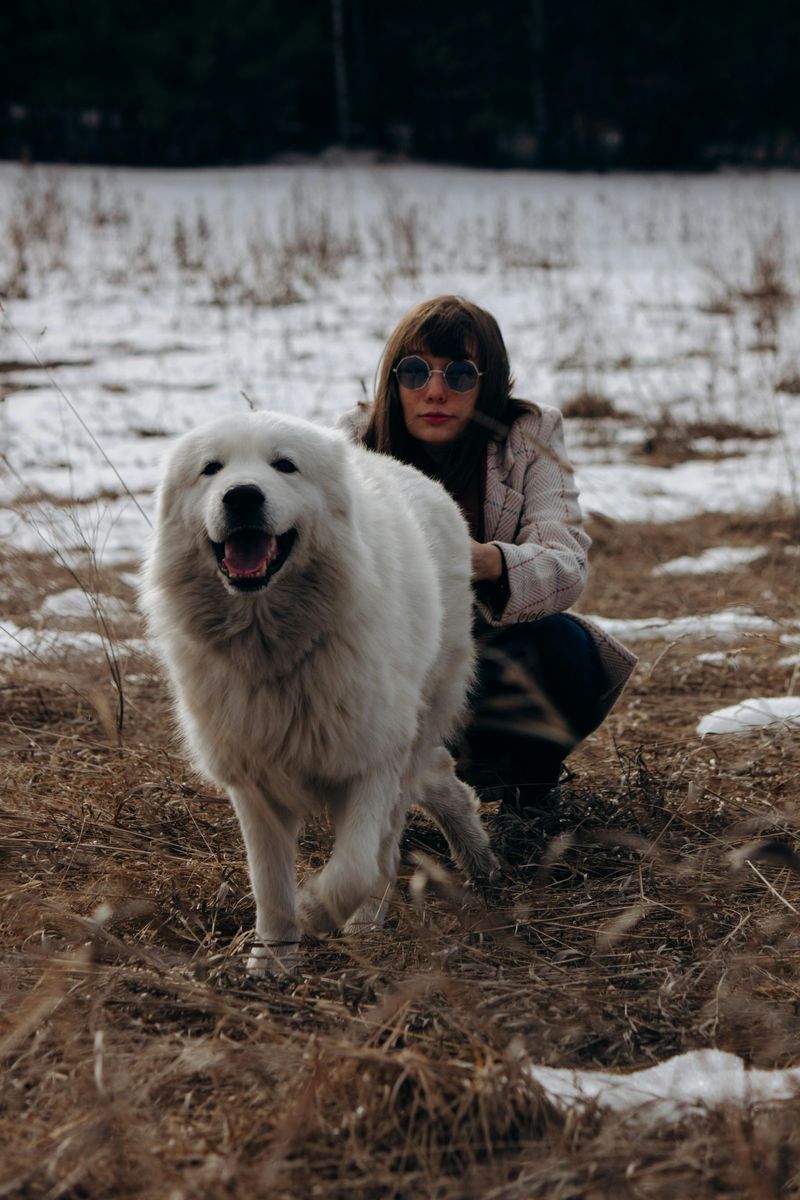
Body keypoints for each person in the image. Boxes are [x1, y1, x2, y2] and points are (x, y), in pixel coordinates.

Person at [339, 295, 637, 820]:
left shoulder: (529, 436)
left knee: (564, 646)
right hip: (380, 654)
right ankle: (373, 796)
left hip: (488, 648)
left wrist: (477, 559)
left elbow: (565, 563)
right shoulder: (353, 443)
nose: (434, 391)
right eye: (414, 372)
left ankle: (524, 788)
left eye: (459, 375)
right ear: (392, 381)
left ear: (491, 382)